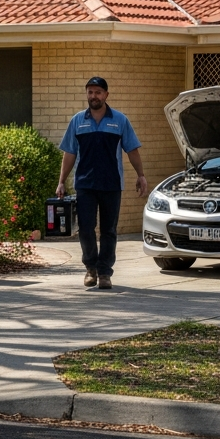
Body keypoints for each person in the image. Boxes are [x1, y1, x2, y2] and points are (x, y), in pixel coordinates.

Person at [56, 77, 147, 289]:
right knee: (86, 228)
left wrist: (141, 175)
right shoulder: (78, 121)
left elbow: (132, 150)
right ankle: (91, 268)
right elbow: (69, 153)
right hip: (85, 185)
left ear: (106, 94)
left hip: (111, 184)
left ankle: (105, 272)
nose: (93, 96)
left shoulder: (120, 120)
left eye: (98, 92)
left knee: (109, 230)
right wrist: (61, 182)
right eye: (90, 92)